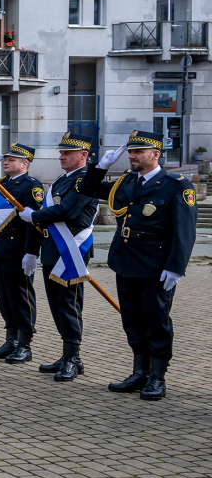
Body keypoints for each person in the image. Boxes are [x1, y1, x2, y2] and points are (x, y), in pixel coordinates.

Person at [78, 131, 197, 401]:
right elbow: (87, 189)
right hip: (127, 259)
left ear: (155, 154)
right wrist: (101, 167)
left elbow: (185, 231)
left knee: (156, 320)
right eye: (130, 152)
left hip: (157, 264)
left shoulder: (177, 185)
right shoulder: (126, 182)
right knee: (131, 318)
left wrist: (176, 266)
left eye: (138, 152)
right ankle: (139, 371)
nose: (131, 156)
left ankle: (157, 377)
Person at [21, 132, 99, 382]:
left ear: (83, 155)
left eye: (67, 153)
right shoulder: (61, 181)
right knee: (56, 306)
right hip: (53, 249)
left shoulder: (86, 180)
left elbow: (67, 210)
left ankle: (74, 358)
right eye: (61, 152)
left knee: (69, 305)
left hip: (72, 250)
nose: (61, 156)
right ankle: (66, 354)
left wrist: (33, 216)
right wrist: (32, 251)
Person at [0, 144, 45, 362]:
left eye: (12, 160)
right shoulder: (4, 183)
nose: (6, 162)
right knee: (4, 296)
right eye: (6, 159)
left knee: (21, 297)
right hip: (1, 245)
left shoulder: (31, 186)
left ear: (24, 164)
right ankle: (11, 340)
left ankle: (25, 344)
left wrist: (32, 252)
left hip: (19, 247)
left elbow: (34, 222)